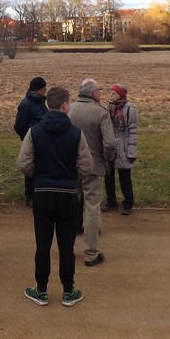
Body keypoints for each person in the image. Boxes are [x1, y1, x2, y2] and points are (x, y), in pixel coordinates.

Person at [17, 87, 93, 307]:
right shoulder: (76, 133)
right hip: (68, 194)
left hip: (42, 193)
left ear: (49, 104)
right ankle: (68, 291)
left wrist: (39, 176)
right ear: (65, 105)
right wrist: (71, 177)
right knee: (66, 246)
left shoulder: (34, 131)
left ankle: (40, 290)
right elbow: (87, 166)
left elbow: (23, 163)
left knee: (43, 245)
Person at [67, 78, 116, 267]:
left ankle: (67, 249)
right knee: (92, 208)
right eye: (100, 90)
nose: (101, 93)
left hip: (71, 166)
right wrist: (107, 158)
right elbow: (110, 143)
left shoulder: (68, 109)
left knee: (70, 208)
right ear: (93, 93)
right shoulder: (101, 112)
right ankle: (91, 253)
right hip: (94, 167)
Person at [103, 84, 139, 215]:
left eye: (114, 93)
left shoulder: (129, 109)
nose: (111, 95)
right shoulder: (108, 108)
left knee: (125, 177)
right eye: (110, 93)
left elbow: (133, 131)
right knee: (108, 176)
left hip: (123, 147)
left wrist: (131, 151)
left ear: (120, 95)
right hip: (111, 147)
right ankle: (111, 202)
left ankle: (128, 203)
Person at [14, 77, 48, 206]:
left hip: (42, 141)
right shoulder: (26, 104)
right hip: (32, 141)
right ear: (37, 89)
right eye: (44, 87)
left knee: (40, 167)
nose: (46, 89)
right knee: (30, 168)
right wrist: (27, 136)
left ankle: (39, 193)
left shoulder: (40, 101)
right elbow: (18, 125)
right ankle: (30, 197)